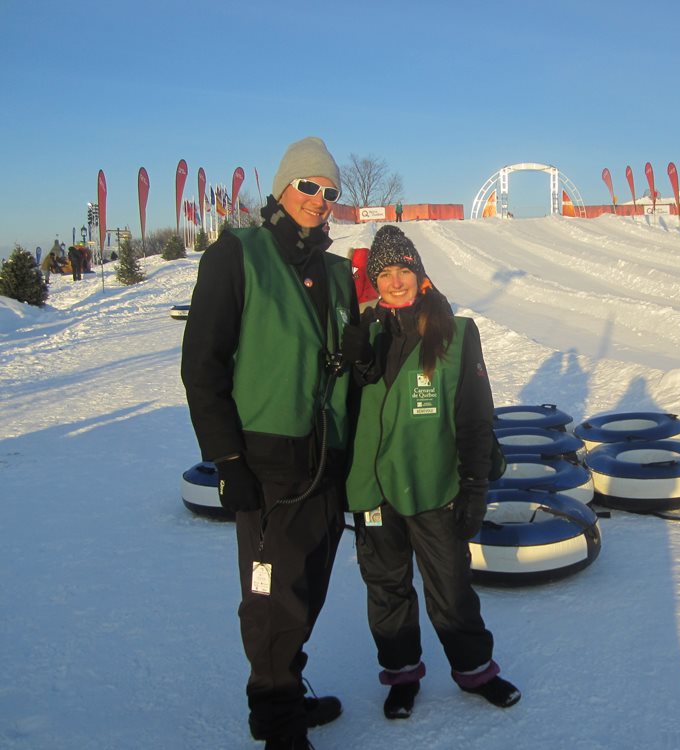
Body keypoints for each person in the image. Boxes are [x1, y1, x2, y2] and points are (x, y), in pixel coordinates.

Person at [181, 136, 367, 750]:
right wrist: (228, 459)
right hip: (266, 459)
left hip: (324, 456)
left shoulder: (336, 271)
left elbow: (350, 360)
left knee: (309, 584)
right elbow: (202, 367)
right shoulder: (239, 253)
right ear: (283, 188)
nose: (319, 199)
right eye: (309, 186)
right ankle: (277, 720)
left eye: (330, 191)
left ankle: (286, 684)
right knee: (270, 593)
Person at [346, 225, 520, 720]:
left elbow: (474, 415)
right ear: (374, 281)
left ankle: (476, 672)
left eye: (405, 269)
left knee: (450, 587)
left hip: (433, 486)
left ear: (421, 276)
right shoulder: (365, 334)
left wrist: (474, 485)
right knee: (386, 588)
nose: (395, 280)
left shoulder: (455, 333)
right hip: (374, 492)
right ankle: (401, 677)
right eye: (385, 272)